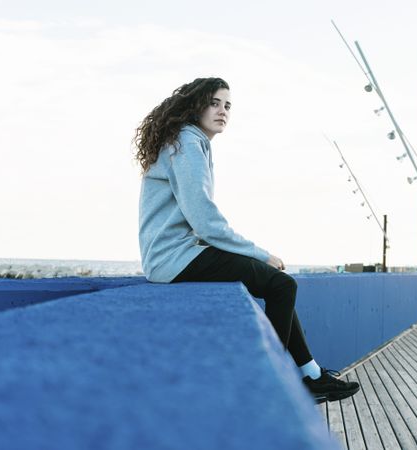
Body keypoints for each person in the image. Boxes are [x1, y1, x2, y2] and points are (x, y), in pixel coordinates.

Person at [134, 77, 359, 403]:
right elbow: (205, 221)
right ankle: (267, 381)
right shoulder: (187, 143)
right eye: (214, 103)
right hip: (175, 257)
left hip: (178, 254)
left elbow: (201, 223)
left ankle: (310, 374)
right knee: (282, 285)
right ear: (195, 105)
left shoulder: (189, 141)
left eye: (228, 105)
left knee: (278, 283)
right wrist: (260, 253)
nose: (223, 111)